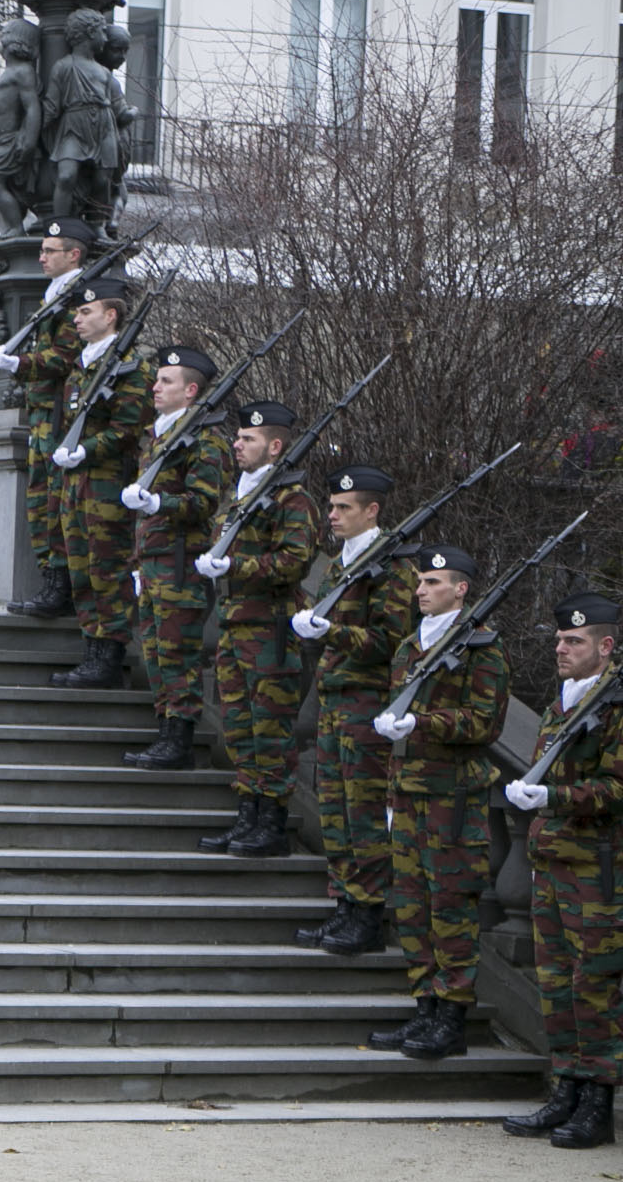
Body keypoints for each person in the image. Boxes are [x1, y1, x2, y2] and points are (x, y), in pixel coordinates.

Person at [368, 546, 509, 1063]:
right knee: (413, 907)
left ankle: (451, 1018)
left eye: (432, 582)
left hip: (453, 798)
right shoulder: (409, 646)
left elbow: (483, 723)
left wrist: (425, 723)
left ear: (461, 589)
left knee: (450, 907)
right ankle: (424, 1008)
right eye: (420, 582)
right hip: (407, 794)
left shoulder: (482, 649)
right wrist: (390, 791)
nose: (420, 590)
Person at [500, 592, 623, 1148]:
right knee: (555, 985)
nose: (561, 649)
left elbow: (618, 788)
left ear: (606, 646)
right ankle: (565, 1090)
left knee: (593, 986)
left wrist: (554, 795)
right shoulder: (566, 701)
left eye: (574, 641)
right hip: (553, 863)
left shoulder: (616, 705)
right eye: (558, 640)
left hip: (598, 872)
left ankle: (597, 1101)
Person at [289, 466, 415, 955]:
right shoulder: (344, 565)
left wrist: (331, 632)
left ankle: (366, 913)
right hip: (334, 704)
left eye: (344, 508)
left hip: (366, 705)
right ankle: (343, 905)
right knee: (336, 815)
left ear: (372, 511)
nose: (333, 516)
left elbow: (391, 640)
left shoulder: (392, 569)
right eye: (333, 507)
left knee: (363, 816)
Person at [192, 401, 320, 857]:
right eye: (239, 437)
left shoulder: (293, 501)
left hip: (271, 633)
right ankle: (248, 815)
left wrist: (236, 564)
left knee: (271, 733)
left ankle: (273, 822)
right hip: (234, 628)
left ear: (276, 446)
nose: (237, 444)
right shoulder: (242, 495)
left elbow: (293, 562)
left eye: (248, 439)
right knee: (240, 730)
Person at [120, 347, 233, 769]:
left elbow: (204, 502)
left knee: (177, 655)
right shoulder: (160, 436)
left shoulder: (205, 439)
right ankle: (165, 732)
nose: (155, 386)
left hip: (180, 564)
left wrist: (158, 503)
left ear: (190, 390)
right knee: (155, 653)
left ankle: (179, 739)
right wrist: (137, 562)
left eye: (165, 381)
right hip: (153, 564)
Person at [0, 217, 97, 618]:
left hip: (57, 412)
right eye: (42, 250)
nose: (41, 257)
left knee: (53, 501)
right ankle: (53, 581)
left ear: (74, 254)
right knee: (41, 500)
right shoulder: (57, 294)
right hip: (42, 412)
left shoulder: (77, 299)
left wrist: (18, 363)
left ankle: (60, 586)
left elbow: (63, 358)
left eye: (50, 250)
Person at [46, 280, 150, 684]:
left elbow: (128, 427)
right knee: (82, 570)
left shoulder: (130, 367)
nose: (77, 318)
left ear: (110, 316)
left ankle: (109, 655)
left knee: (108, 569)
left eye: (86, 312)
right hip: (76, 486)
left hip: (107, 485)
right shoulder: (81, 366)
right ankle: (91, 650)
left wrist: (87, 449)